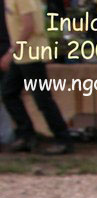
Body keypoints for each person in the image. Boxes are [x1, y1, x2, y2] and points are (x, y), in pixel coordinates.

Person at [1, 0, 72, 154]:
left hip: (31, 54)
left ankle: (63, 139)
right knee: (9, 93)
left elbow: (29, 26)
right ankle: (26, 135)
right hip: (22, 56)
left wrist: (11, 52)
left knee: (42, 98)